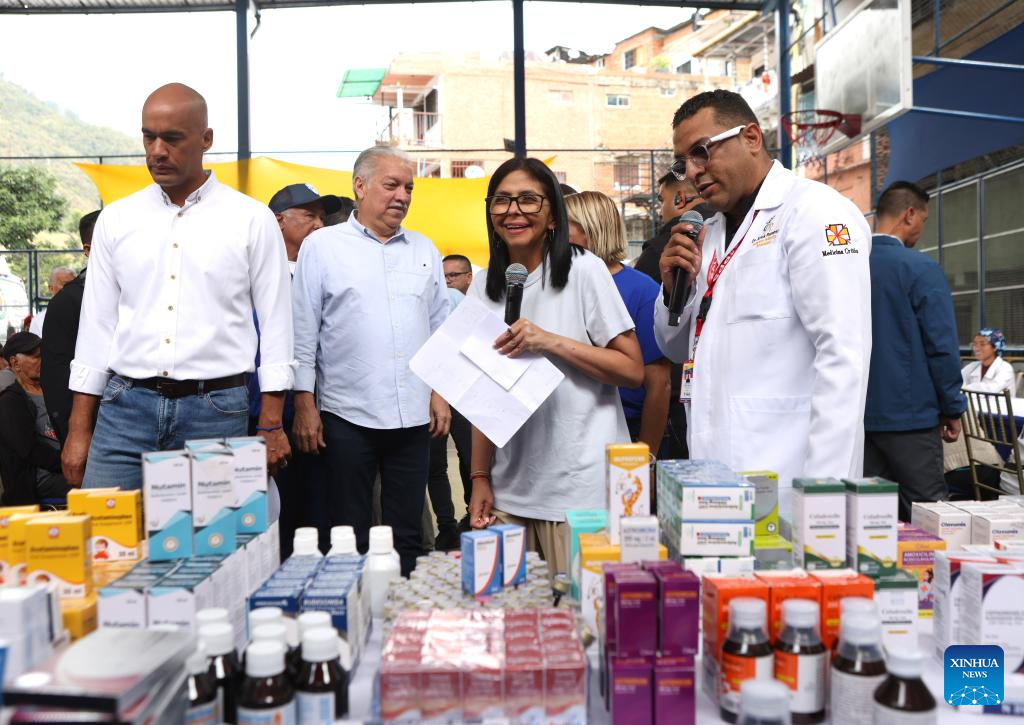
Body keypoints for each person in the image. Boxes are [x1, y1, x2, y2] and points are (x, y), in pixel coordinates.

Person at [63, 83, 294, 490]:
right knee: (108, 530)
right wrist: (79, 430)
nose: (157, 150)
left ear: (206, 139)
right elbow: (96, 327)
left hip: (215, 412)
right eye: (149, 137)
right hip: (123, 409)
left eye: (172, 138)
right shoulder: (117, 220)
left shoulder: (251, 220)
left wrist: (271, 423)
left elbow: (277, 326)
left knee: (215, 533)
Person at [655, 90, 872, 517]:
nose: (693, 172)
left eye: (702, 152)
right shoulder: (709, 235)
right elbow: (676, 349)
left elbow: (843, 359)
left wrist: (824, 504)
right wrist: (671, 291)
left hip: (788, 485)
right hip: (715, 485)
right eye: (683, 162)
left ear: (751, 137)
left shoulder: (815, 213)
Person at [467, 157, 643, 573]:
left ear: (552, 216)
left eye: (528, 199)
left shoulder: (584, 270)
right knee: (513, 609)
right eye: (502, 200)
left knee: (580, 609)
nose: (513, 211)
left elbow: (632, 369)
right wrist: (479, 476)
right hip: (510, 491)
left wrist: (549, 341)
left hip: (579, 493)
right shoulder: (483, 284)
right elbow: (483, 393)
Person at [291, 146, 450, 575]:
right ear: (359, 186)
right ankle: (354, 609)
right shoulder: (322, 247)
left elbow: (441, 329)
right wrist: (304, 404)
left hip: (413, 416)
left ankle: (404, 606)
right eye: (392, 185)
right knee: (349, 532)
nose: (402, 196)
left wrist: (439, 393)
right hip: (346, 415)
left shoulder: (424, 249)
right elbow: (303, 333)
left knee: (408, 534)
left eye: (409, 188)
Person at [863, 181, 965, 520]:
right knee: (927, 515)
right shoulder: (920, 269)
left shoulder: (849, 265)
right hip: (911, 419)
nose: (922, 228)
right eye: (923, 219)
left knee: (870, 518)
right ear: (908, 215)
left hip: (856, 418)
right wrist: (952, 407)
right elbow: (942, 347)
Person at [565, 190, 671, 456]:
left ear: (590, 229)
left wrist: (645, 457)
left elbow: (659, 384)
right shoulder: (560, 285)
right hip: (569, 430)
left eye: (563, 225)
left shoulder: (642, 290)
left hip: (626, 434)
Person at [40, 210, 99, 445]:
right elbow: (56, 375)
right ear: (88, 249)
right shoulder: (68, 301)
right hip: (92, 431)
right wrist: (73, 433)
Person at [0, 333, 70, 505]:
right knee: (97, 484)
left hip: (67, 466)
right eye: (36, 357)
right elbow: (31, 450)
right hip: (40, 480)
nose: (42, 360)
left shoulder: (54, 391)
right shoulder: (9, 402)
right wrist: (70, 463)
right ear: (16, 363)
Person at [633, 173, 706, 281]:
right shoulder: (726, 228)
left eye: (662, 200)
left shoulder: (660, 249)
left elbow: (639, 287)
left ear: (680, 199)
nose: (660, 212)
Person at [269, 183, 341, 273]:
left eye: (322, 218)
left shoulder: (328, 269)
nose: (320, 225)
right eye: (310, 216)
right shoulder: (258, 265)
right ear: (279, 221)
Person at [962, 328, 1015, 393]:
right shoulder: (972, 366)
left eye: (982, 344)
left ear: (995, 347)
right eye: (975, 344)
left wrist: (964, 389)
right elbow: (956, 382)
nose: (976, 349)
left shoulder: (1005, 368)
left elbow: (990, 390)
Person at [28, 267, 76, 337]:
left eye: (75, 285)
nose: (72, 289)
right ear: (51, 288)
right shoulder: (39, 321)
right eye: (66, 284)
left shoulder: (84, 316)